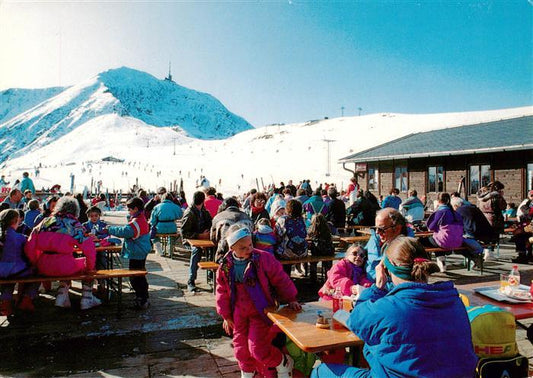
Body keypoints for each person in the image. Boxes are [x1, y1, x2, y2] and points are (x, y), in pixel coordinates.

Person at [312, 237, 477, 378]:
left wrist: (377, 288)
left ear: (386, 268)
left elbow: (356, 319)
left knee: (321, 371)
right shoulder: (455, 301)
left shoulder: (387, 308)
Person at [215, 225, 300, 378]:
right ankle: (247, 372)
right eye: (243, 248)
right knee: (240, 348)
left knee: (258, 348)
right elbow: (221, 291)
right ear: (232, 248)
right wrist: (226, 316)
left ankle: (283, 362)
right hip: (238, 312)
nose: (248, 249)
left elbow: (280, 278)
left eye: (250, 245)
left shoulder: (262, 259)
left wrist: (291, 298)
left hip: (261, 311)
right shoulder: (225, 267)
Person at [24, 196, 101, 310]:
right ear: (75, 210)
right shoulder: (75, 225)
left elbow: (29, 246)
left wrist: (35, 263)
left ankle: (62, 294)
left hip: (44, 265)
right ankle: (87, 297)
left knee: (70, 260)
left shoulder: (45, 222)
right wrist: (90, 267)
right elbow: (89, 249)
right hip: (67, 265)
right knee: (82, 261)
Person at [106, 197, 151, 309]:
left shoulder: (136, 223)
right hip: (142, 250)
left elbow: (125, 232)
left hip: (137, 251)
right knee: (140, 275)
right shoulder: (142, 218)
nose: (128, 211)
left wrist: (109, 229)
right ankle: (144, 296)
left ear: (135, 209)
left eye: (129, 209)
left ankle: (142, 299)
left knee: (135, 277)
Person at [0, 209, 39, 315]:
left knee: (7, 279)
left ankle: (5, 303)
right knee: (36, 274)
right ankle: (26, 299)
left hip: (2, 271)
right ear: (16, 221)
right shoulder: (20, 238)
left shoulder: (3, 236)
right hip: (16, 270)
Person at [364, 208, 412, 282]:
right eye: (375, 228)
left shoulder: (409, 248)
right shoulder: (377, 237)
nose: (377, 232)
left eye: (381, 229)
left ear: (397, 229)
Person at [420, 192, 464, 272]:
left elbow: (431, 227)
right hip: (457, 241)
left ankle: (425, 265)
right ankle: (441, 260)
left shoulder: (440, 212)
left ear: (438, 201)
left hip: (444, 241)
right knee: (436, 240)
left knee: (421, 241)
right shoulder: (456, 213)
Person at [182, 191, 213, 292]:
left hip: (204, 238)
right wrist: (200, 235)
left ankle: (212, 275)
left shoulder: (205, 212)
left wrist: (207, 232)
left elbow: (210, 224)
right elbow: (184, 233)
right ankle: (191, 280)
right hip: (191, 240)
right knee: (197, 251)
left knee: (214, 250)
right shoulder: (189, 213)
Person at [211, 197, 254, 263]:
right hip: (248, 254)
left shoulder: (218, 217)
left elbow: (213, 238)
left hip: (223, 255)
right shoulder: (247, 217)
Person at [275, 199, 308, 276]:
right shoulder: (302, 220)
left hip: (288, 253)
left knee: (277, 248)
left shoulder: (283, 219)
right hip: (303, 252)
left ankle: (285, 276)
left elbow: (278, 235)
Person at [307, 213, 335, 282]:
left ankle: (313, 278)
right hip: (328, 252)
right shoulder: (327, 229)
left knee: (313, 262)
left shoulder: (311, 230)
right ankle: (328, 278)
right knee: (328, 263)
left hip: (317, 252)